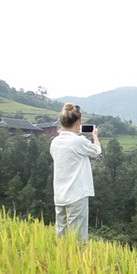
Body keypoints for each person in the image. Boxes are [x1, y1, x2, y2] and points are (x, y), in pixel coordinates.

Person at [50, 103, 101, 242]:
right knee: (78, 238)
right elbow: (97, 151)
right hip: (77, 194)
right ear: (78, 122)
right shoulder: (79, 141)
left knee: (61, 236)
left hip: (60, 195)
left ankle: (61, 261)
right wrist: (95, 136)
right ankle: (78, 263)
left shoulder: (55, 142)